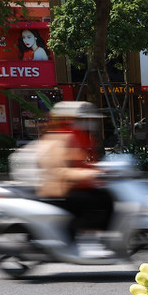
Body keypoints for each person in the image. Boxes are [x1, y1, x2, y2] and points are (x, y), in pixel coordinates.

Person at [37, 101, 114, 245]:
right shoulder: (61, 138)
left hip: (73, 185)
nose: (86, 123)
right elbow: (61, 169)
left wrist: (97, 170)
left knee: (106, 195)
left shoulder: (76, 136)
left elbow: (81, 160)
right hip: (62, 189)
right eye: (82, 119)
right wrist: (88, 174)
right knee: (101, 200)